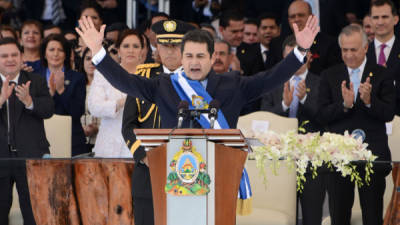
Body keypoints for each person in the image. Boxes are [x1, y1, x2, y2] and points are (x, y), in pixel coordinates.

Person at [76, 14, 319, 129]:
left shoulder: (232, 84)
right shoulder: (164, 85)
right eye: (189, 56)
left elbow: (270, 79)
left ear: (213, 57)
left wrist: (301, 50)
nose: (194, 62)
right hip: (176, 174)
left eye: (200, 56)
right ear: (182, 57)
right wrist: (98, 52)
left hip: (222, 173)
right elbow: (125, 82)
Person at [317, 24, 395, 225]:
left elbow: (388, 113)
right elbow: (322, 114)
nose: (349, 55)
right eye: (345, 50)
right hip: (338, 158)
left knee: (372, 217)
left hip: (372, 158)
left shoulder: (382, 74)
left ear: (366, 48)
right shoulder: (329, 75)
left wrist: (369, 101)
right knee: (339, 217)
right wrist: (344, 105)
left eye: (353, 49)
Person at [121, 20, 195, 225]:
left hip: (187, 171)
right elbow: (128, 125)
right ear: (158, 48)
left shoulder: (195, 80)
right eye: (164, 46)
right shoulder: (142, 76)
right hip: (148, 172)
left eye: (176, 46)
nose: (170, 52)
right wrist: (142, 156)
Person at [260, 35, 323, 225]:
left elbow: (326, 118)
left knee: (312, 214)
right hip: (278, 158)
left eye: (300, 56)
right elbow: (263, 118)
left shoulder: (322, 82)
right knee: (278, 213)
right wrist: (283, 105)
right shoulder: (272, 82)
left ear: (309, 56)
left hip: (310, 157)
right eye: (291, 57)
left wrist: (305, 100)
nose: (295, 62)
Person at [0, 37, 54, 225]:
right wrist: (0, 100)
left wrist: (30, 102)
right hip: (1, 159)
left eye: (14, 54)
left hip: (31, 157)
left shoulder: (36, 81)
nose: (10, 59)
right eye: (4, 55)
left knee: (35, 215)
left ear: (22, 56)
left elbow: (48, 110)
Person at [88, 29, 144, 158]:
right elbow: (94, 107)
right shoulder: (103, 74)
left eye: (136, 46)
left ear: (142, 51)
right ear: (118, 50)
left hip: (139, 146)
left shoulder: (150, 76)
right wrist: (121, 103)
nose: (131, 50)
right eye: (126, 46)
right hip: (108, 145)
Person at [38, 34, 87, 156]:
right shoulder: (34, 77)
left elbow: (77, 112)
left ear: (66, 54)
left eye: (60, 50)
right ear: (44, 54)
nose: (55, 54)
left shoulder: (78, 78)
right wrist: (50, 94)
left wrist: (61, 91)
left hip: (72, 140)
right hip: (42, 139)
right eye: (51, 50)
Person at [269, 0, 341, 75]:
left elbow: (332, 76)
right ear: (289, 20)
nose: (297, 19)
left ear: (312, 17)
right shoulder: (276, 45)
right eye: (293, 17)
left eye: (301, 15)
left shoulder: (329, 44)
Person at [79, 47, 99, 152]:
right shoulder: (76, 85)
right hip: (80, 141)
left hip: (100, 141)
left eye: (95, 59)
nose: (91, 62)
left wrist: (97, 128)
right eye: (88, 58)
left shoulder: (108, 86)